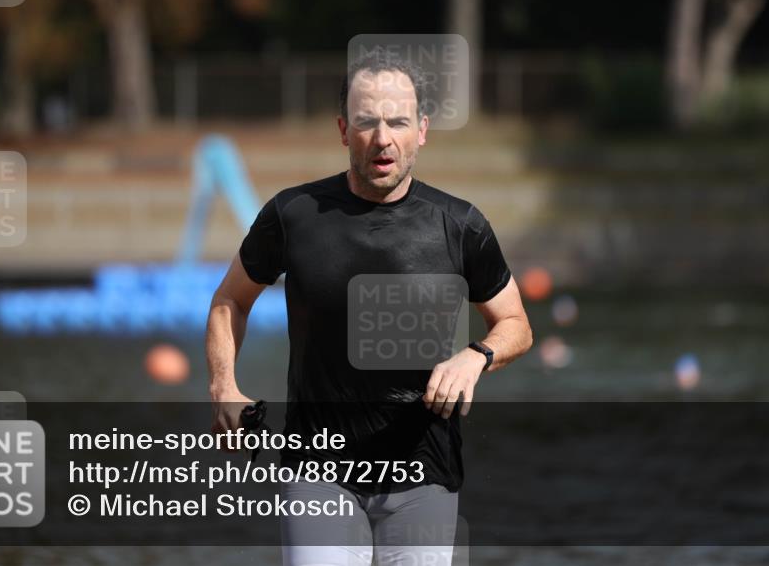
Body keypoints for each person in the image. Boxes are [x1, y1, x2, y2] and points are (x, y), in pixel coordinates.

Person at [207, 47, 533, 566]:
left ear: (421, 130)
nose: (383, 138)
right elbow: (229, 301)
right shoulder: (294, 215)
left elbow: (515, 323)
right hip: (318, 470)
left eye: (398, 122)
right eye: (367, 122)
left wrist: (476, 356)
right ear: (343, 130)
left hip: (423, 472)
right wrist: (224, 384)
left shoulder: (460, 224)